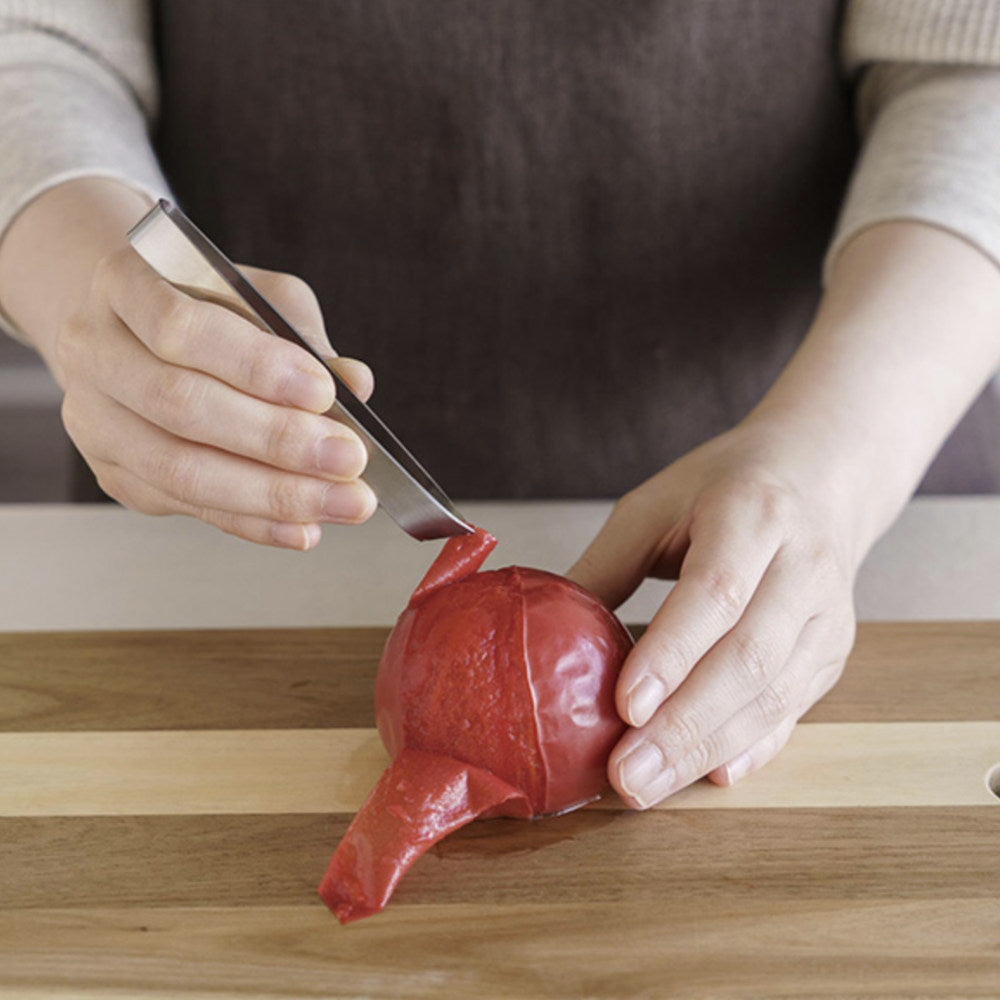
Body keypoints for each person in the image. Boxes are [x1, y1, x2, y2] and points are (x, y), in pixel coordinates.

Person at [1, 1, 999, 811]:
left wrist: (829, 461)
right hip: (196, 530)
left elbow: (972, 63)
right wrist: (91, 279)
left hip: (859, 434)